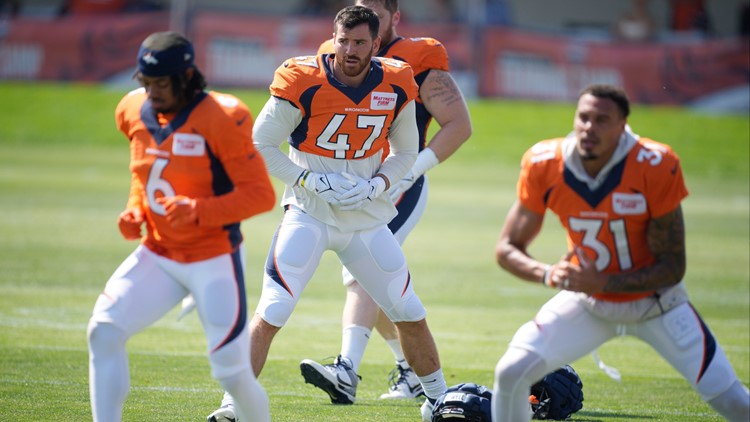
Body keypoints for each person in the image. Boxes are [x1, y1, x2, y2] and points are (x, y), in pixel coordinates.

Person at [207, 6, 447, 422]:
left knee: (408, 309)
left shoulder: (397, 79)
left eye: (359, 43)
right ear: (332, 38)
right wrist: (308, 180)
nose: (350, 50)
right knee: (275, 306)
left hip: (366, 218)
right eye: (343, 41)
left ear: (376, 44)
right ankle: (234, 405)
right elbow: (260, 145)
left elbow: (406, 151)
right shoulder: (303, 79)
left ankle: (440, 401)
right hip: (309, 213)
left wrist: (379, 185)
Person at [491, 84, 750, 422]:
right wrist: (547, 273)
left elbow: (672, 267)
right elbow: (507, 247)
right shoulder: (546, 163)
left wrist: (604, 281)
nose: (589, 128)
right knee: (511, 372)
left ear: (623, 125)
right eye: (583, 118)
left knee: (734, 403)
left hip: (657, 304)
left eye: (602, 120)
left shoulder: (654, 164)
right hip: (588, 302)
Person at [86, 31, 275, 422]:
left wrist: (199, 210)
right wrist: (136, 208)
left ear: (187, 77)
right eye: (147, 83)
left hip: (213, 258)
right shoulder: (132, 108)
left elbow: (261, 196)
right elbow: (147, 170)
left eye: (162, 84)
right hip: (158, 253)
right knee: (103, 331)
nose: (152, 92)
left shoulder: (224, 116)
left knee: (232, 371)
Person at [298, 0, 472, 405]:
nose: (365, 20)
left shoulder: (417, 56)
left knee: (361, 277)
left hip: (396, 184)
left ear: (395, 18)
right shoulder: (335, 52)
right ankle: (410, 371)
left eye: (375, 11)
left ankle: (346, 369)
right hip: (347, 184)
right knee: (375, 284)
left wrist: (411, 171)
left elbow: (458, 125)